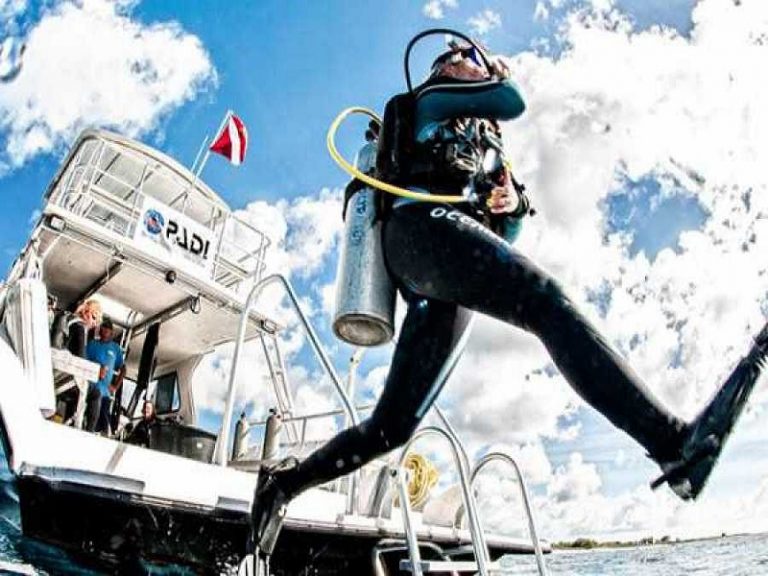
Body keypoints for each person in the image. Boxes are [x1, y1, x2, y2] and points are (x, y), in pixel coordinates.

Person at [250, 37, 768, 558]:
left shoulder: (486, 146)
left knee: (392, 427)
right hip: (417, 233)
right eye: (461, 55)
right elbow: (513, 101)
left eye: (471, 55)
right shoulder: (429, 99)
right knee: (545, 299)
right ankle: (673, 446)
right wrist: (496, 71)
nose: (466, 58)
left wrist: (513, 200)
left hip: (448, 274)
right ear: (446, 67)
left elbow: (506, 237)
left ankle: (282, 487)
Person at [85, 318, 125, 434]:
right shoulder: (92, 344)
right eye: (103, 328)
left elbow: (123, 369)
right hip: (89, 388)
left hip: (105, 393)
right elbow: (84, 361)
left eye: (107, 329)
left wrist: (115, 386)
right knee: (88, 421)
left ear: (111, 332)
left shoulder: (115, 348)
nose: (104, 331)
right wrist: (97, 368)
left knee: (102, 423)